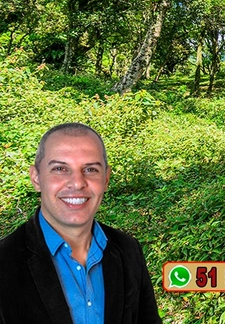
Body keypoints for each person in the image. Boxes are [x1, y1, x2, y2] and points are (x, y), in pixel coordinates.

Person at [0, 122, 162, 324]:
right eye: (60, 168)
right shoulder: (4, 261)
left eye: (91, 169)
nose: (77, 183)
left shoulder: (129, 250)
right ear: (36, 178)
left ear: (106, 179)